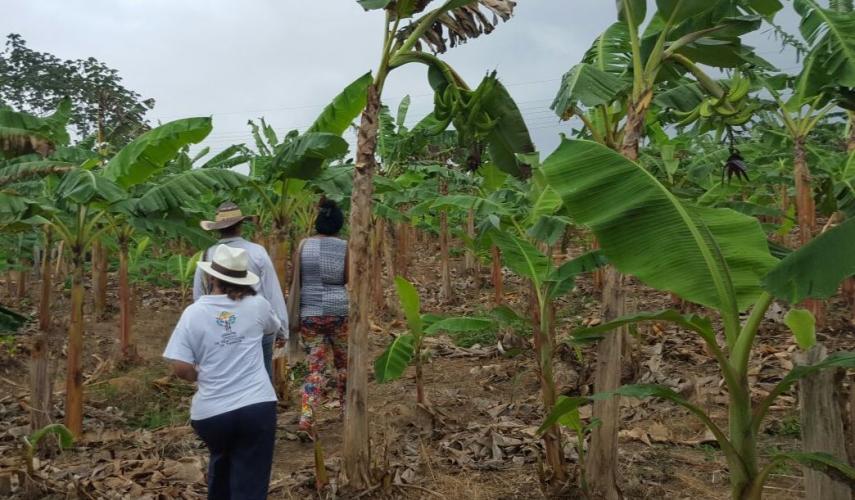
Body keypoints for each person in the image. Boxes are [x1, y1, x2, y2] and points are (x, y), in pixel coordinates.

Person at [164, 245, 280, 500]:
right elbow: (272, 329)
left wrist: (199, 376)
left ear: (211, 277)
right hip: (257, 407)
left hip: (212, 415)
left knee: (222, 464)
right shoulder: (258, 305)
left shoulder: (193, 313)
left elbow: (180, 367)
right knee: (250, 481)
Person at [194, 202, 287, 380]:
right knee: (262, 378)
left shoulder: (207, 254)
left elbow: (199, 296)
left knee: (227, 377)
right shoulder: (257, 252)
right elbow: (272, 292)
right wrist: (282, 328)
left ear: (217, 229)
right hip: (257, 325)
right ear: (240, 225)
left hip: (221, 328)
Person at [295, 198, 348, 439]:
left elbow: (297, 279)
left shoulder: (303, 245)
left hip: (310, 313)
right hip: (339, 312)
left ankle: (307, 418)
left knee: (314, 369)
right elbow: (347, 278)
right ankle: (348, 412)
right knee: (344, 365)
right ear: (338, 224)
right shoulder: (345, 247)